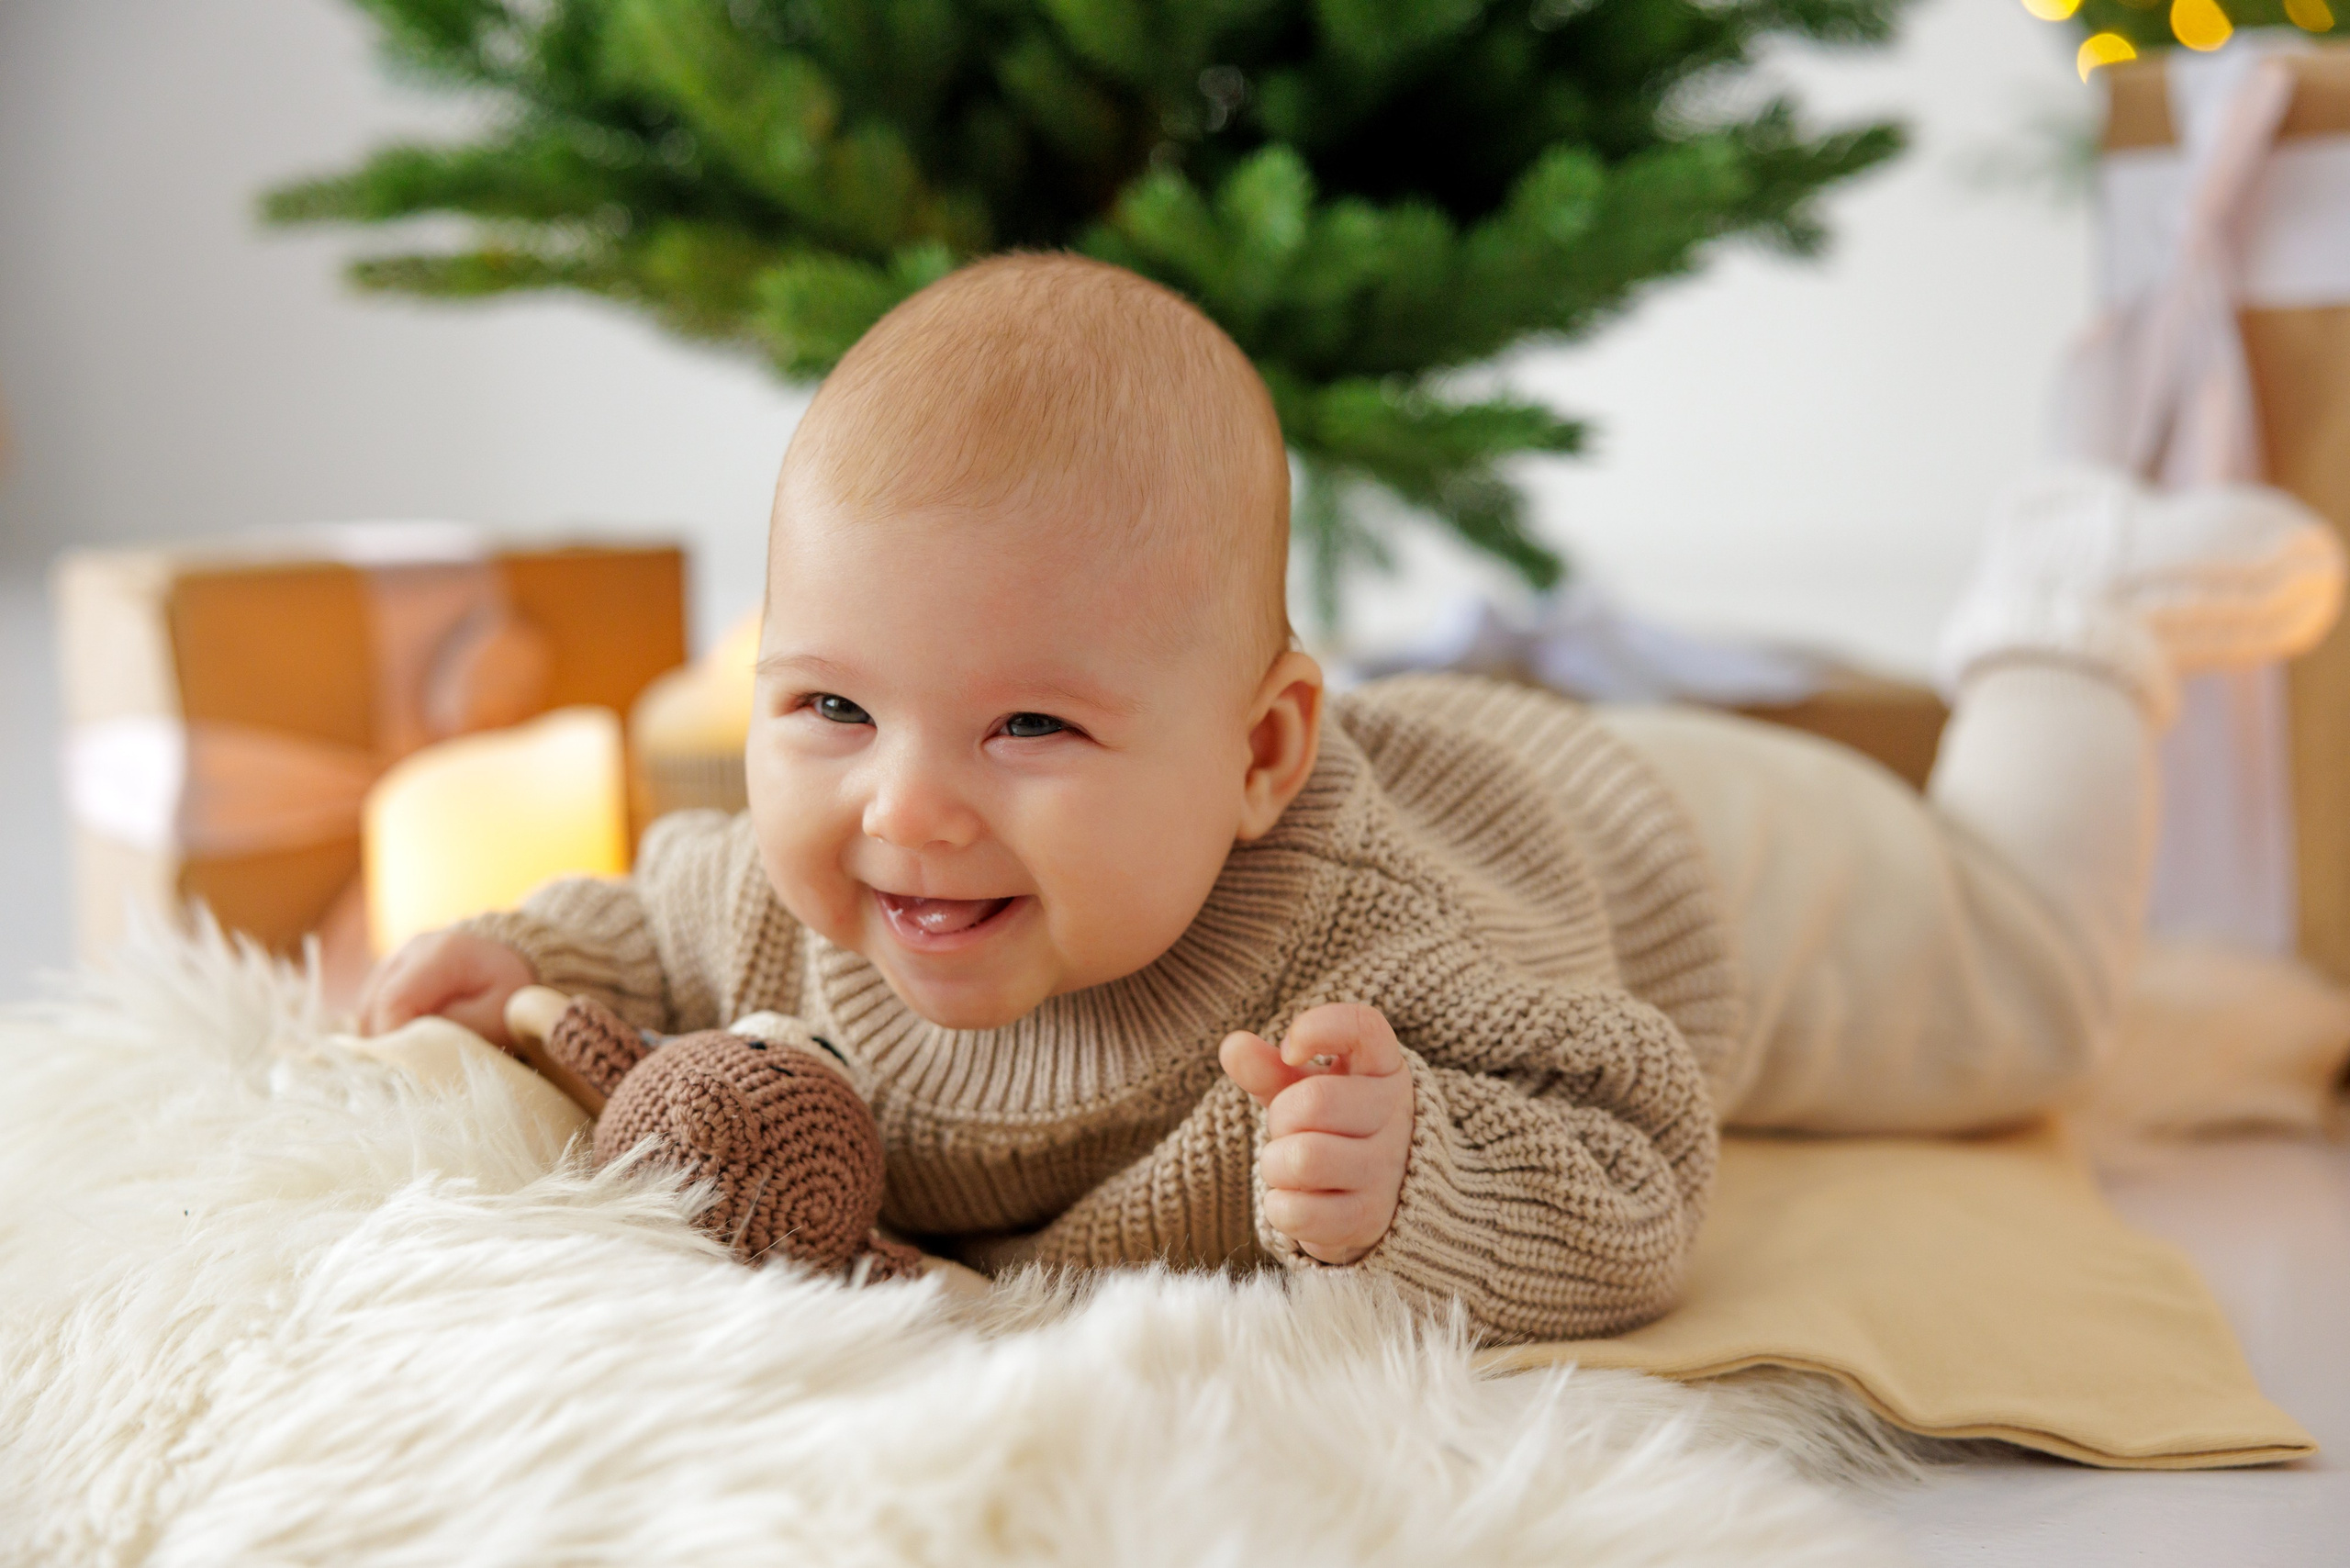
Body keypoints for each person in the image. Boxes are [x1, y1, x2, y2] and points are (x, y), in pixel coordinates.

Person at [356, 254, 2344, 1343]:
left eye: (1028, 728)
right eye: (827, 702)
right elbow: (671, 904)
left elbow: (1642, 1162)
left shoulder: (1365, 968)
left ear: (1253, 756)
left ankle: (2066, 618)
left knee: (2029, 991)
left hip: (1674, 861)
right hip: (1474, 765)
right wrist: (522, 948)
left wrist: (1423, 1179)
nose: (906, 810)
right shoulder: (821, 887)